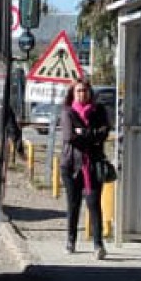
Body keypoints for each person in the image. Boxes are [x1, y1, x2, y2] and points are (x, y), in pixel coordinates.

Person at [60, 81, 112, 259]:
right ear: (73, 93)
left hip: (93, 164)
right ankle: (71, 240)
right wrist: (91, 135)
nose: (82, 94)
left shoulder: (99, 111)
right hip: (71, 165)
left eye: (85, 90)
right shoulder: (68, 111)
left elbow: (104, 132)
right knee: (73, 204)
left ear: (90, 92)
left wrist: (83, 132)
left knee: (94, 204)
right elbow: (69, 137)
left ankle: (98, 245)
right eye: (79, 91)